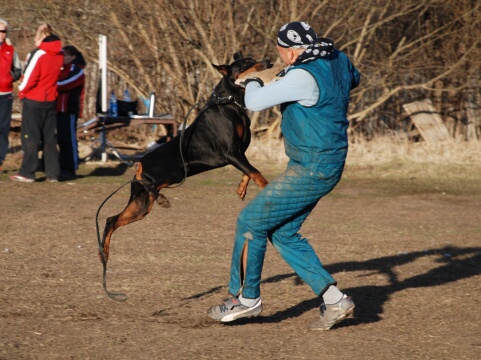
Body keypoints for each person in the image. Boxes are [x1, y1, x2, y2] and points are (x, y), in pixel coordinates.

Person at [207, 21, 361, 330]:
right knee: (282, 232)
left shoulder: (303, 75)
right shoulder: (339, 59)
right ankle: (335, 301)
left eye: (281, 52)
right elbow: (353, 79)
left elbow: (253, 102)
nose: (279, 57)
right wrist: (285, 75)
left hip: (312, 167)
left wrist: (251, 79)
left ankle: (245, 300)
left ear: (290, 51)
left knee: (250, 222)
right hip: (326, 162)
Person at [9, 23, 63, 182]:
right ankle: (53, 173)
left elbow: (29, 76)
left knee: (30, 136)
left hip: (35, 99)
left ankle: (27, 172)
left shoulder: (39, 54)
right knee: (50, 138)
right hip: (51, 99)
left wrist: (22, 91)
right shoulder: (59, 55)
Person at [56, 45, 86, 180]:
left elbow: (65, 84)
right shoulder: (61, 68)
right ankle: (62, 166)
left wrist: (50, 85)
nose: (63, 58)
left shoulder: (77, 69)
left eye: (66, 55)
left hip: (69, 109)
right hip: (58, 109)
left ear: (73, 56)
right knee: (61, 139)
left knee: (69, 139)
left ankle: (71, 167)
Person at [0, 18, 22, 172]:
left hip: (5, 93)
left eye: (4, 31)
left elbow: (18, 70)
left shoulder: (10, 50)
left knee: (3, 128)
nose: (2, 34)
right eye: (0, 31)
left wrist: (9, 77)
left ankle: (0, 161)